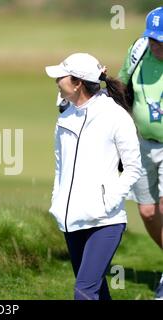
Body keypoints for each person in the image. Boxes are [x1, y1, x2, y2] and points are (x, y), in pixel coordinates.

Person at [46, 53, 141, 300]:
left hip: (104, 222)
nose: (56, 80)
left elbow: (133, 167)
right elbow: (60, 165)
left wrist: (108, 201)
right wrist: (57, 200)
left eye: (62, 76)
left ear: (77, 82)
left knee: (84, 292)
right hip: (71, 221)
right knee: (96, 290)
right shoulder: (65, 117)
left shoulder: (115, 116)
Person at [118, 7, 163, 300]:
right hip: (141, 143)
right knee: (147, 211)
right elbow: (122, 88)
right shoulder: (138, 51)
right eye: (154, 39)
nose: (157, 45)